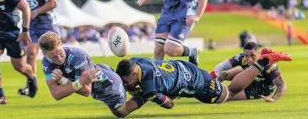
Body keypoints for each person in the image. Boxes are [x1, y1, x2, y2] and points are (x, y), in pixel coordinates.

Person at [116, 51, 291, 116]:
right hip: (183, 67)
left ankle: (264, 61)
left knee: (229, 93)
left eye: (126, 81)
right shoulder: (136, 60)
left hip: (198, 83)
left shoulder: (150, 88)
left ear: (134, 72)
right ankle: (192, 56)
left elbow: (170, 105)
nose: (126, 84)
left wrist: (154, 97)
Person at [39, 31, 137, 118]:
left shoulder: (78, 56)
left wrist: (64, 81)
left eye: (60, 53)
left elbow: (86, 91)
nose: (59, 59)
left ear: (61, 44)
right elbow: (56, 94)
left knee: (121, 113)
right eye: (54, 57)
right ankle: (132, 88)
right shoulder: (46, 63)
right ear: (44, 54)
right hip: (98, 78)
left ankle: (143, 95)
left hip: (109, 85)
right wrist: (75, 81)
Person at [0, 0, 37, 104]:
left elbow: (26, 9)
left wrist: (25, 30)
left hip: (13, 35)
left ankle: (32, 79)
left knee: (20, 67)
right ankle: (0, 95)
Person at [17, 0, 58, 96]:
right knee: (30, 53)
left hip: (47, 25)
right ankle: (31, 85)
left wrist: (35, 12)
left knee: (54, 54)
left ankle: (62, 79)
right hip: (31, 27)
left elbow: (53, 3)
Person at [209, 42, 287, 101]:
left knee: (229, 95)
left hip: (259, 90)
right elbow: (222, 66)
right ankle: (212, 89)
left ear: (258, 53)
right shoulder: (242, 58)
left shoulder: (268, 65)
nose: (249, 59)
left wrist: (273, 98)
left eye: (252, 55)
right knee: (225, 74)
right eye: (246, 55)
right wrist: (214, 75)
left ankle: (215, 95)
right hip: (249, 78)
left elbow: (282, 85)